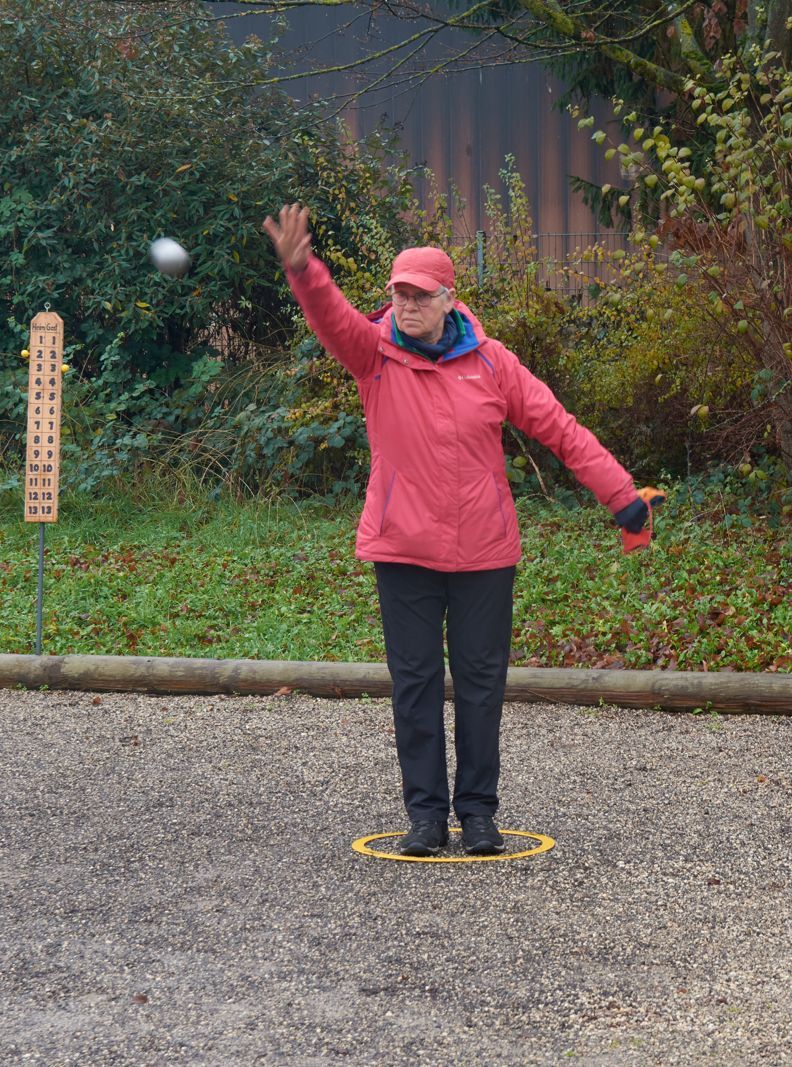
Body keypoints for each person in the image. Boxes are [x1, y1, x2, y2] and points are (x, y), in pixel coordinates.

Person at [261, 205, 651, 856]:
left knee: (480, 686)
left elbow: (559, 428)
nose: (407, 304)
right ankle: (424, 817)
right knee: (414, 686)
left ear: (448, 298)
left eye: (420, 294)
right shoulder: (373, 354)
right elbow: (332, 319)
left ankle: (477, 813)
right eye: (399, 293)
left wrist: (621, 496)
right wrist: (304, 272)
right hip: (403, 549)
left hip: (484, 553)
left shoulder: (492, 363)